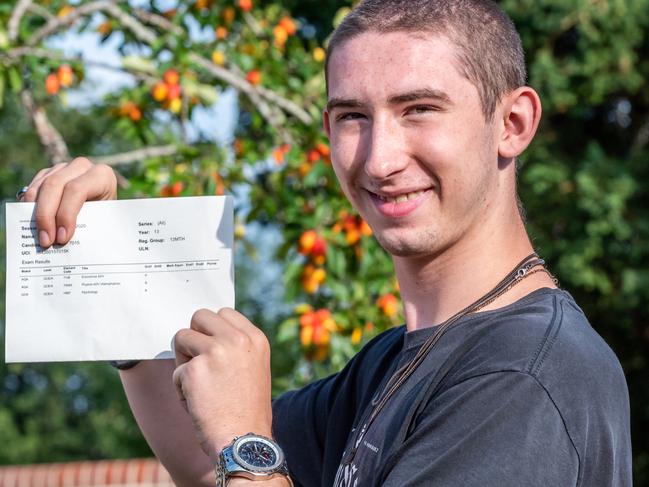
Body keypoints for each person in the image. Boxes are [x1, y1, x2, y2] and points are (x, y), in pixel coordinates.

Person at [21, 0, 631, 485]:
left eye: (418, 108)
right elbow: (209, 466)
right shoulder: (393, 361)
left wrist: (243, 443)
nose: (380, 158)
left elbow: (237, 458)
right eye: (352, 117)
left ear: (512, 124)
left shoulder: (519, 378)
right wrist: (113, 262)